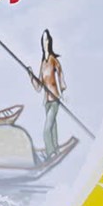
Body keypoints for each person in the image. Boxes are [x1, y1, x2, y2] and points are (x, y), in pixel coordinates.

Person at [32, 29, 66, 160]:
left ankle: (50, 152)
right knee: (52, 126)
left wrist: (62, 91)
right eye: (43, 40)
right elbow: (39, 86)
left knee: (47, 130)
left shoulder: (53, 60)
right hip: (46, 101)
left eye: (46, 40)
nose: (44, 42)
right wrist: (31, 76)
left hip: (54, 99)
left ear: (49, 42)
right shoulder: (43, 64)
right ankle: (55, 148)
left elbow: (60, 73)